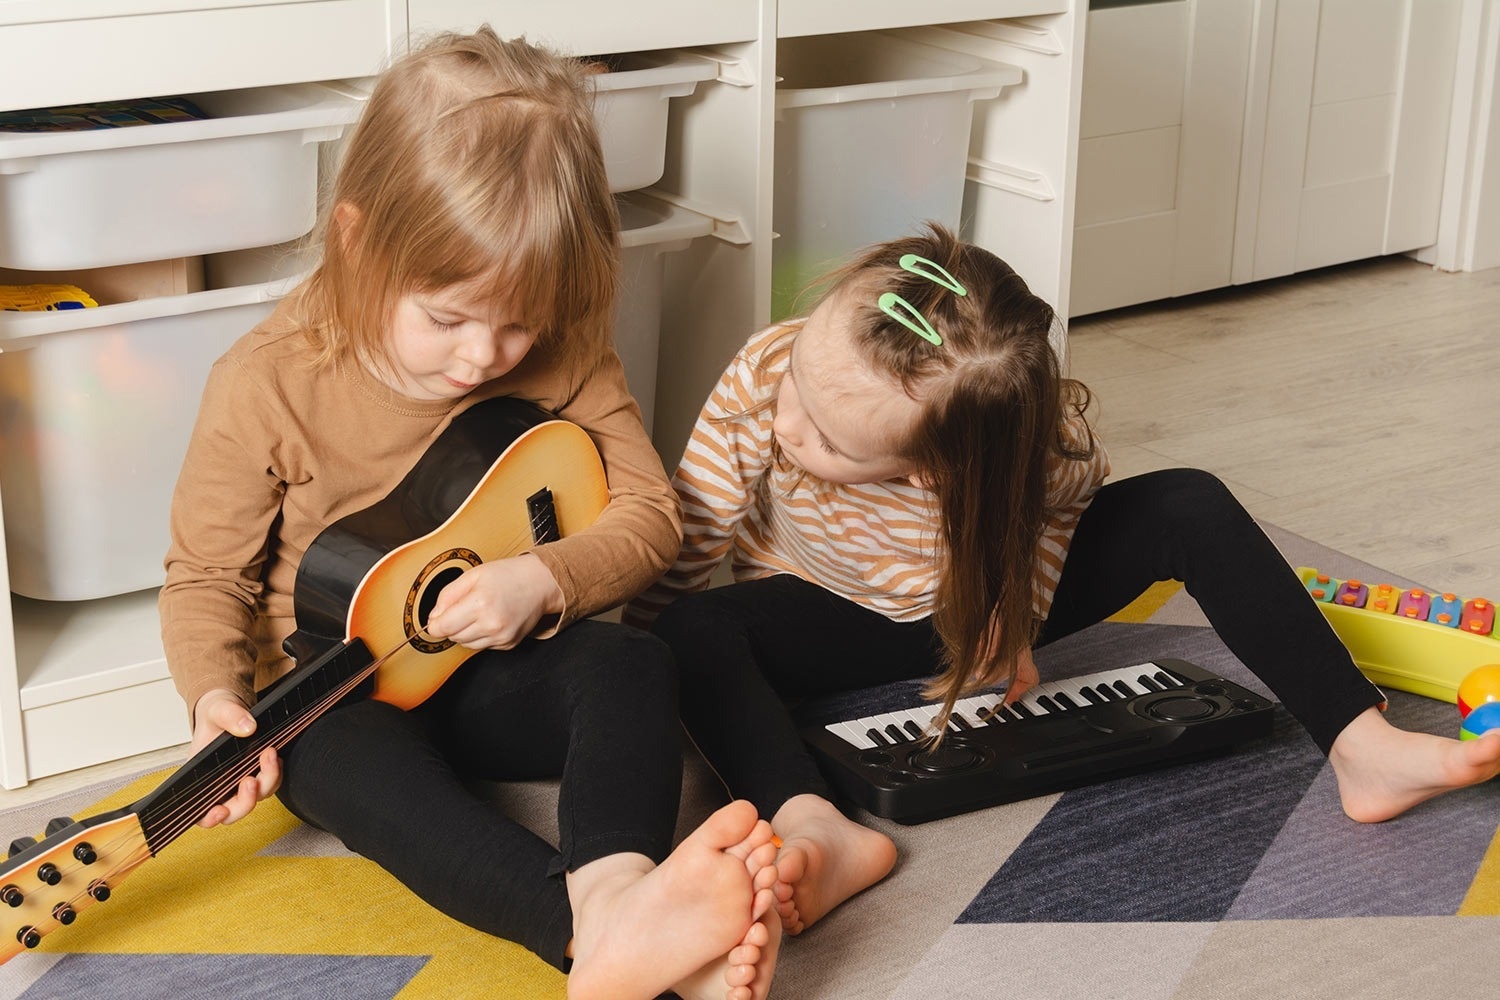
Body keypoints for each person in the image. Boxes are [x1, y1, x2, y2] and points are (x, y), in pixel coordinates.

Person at [624, 222, 1500, 937]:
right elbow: (693, 524)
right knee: (688, 635)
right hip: (826, 602)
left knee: (1188, 502)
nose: (787, 425)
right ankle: (817, 824)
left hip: (980, 600)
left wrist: (1010, 619)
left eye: (825, 437)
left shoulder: (1024, 455)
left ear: (934, 471)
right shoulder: (775, 375)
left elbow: (1058, 519)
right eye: (797, 392)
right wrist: (635, 674)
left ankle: (1361, 743)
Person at [159, 27, 779, 1000]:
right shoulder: (265, 381)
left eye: (518, 320)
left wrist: (544, 578)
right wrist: (211, 699)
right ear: (359, 241)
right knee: (364, 782)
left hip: (497, 667)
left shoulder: (564, 342)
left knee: (632, 662)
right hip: (335, 689)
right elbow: (205, 576)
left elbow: (653, 515)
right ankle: (592, 936)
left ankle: (621, 892)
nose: (485, 355)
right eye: (447, 318)